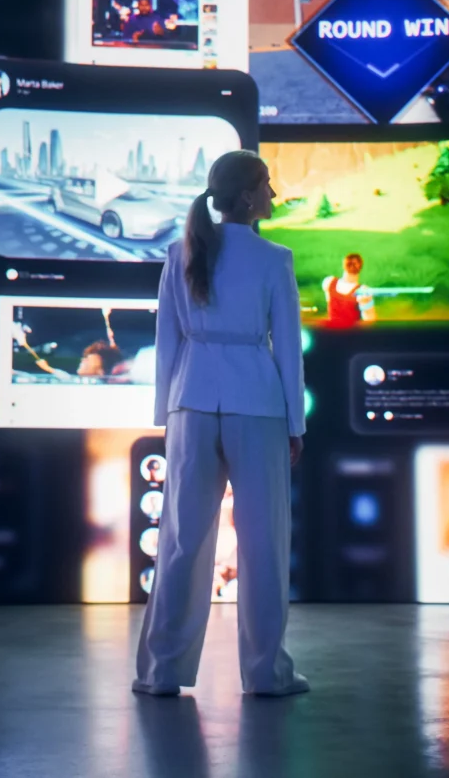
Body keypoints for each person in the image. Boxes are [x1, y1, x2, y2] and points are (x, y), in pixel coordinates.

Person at [135, 150, 308, 698]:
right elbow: (288, 351)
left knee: (182, 540)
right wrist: (295, 425)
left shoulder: (178, 251)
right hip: (256, 405)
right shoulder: (274, 259)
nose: (274, 195)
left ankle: (162, 673)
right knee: (263, 543)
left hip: (191, 404)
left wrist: (165, 412)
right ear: (249, 196)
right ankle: (265, 673)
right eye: (268, 185)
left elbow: (167, 342)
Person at [320, 253, 374, 328]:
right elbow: (370, 322)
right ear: (360, 267)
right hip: (351, 336)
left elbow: (330, 306)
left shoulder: (328, 282)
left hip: (331, 334)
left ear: (344, 265)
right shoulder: (363, 291)